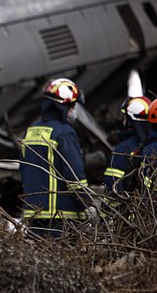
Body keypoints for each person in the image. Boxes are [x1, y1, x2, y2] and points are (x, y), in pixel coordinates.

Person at [19, 78, 98, 237]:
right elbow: (74, 176)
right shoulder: (64, 133)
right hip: (61, 218)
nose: (73, 111)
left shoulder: (30, 131)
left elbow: (24, 170)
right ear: (63, 106)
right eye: (72, 106)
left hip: (34, 214)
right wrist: (87, 205)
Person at [104, 96, 152, 207]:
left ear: (130, 121)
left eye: (126, 118)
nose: (123, 122)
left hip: (125, 215)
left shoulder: (122, 149)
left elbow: (112, 186)